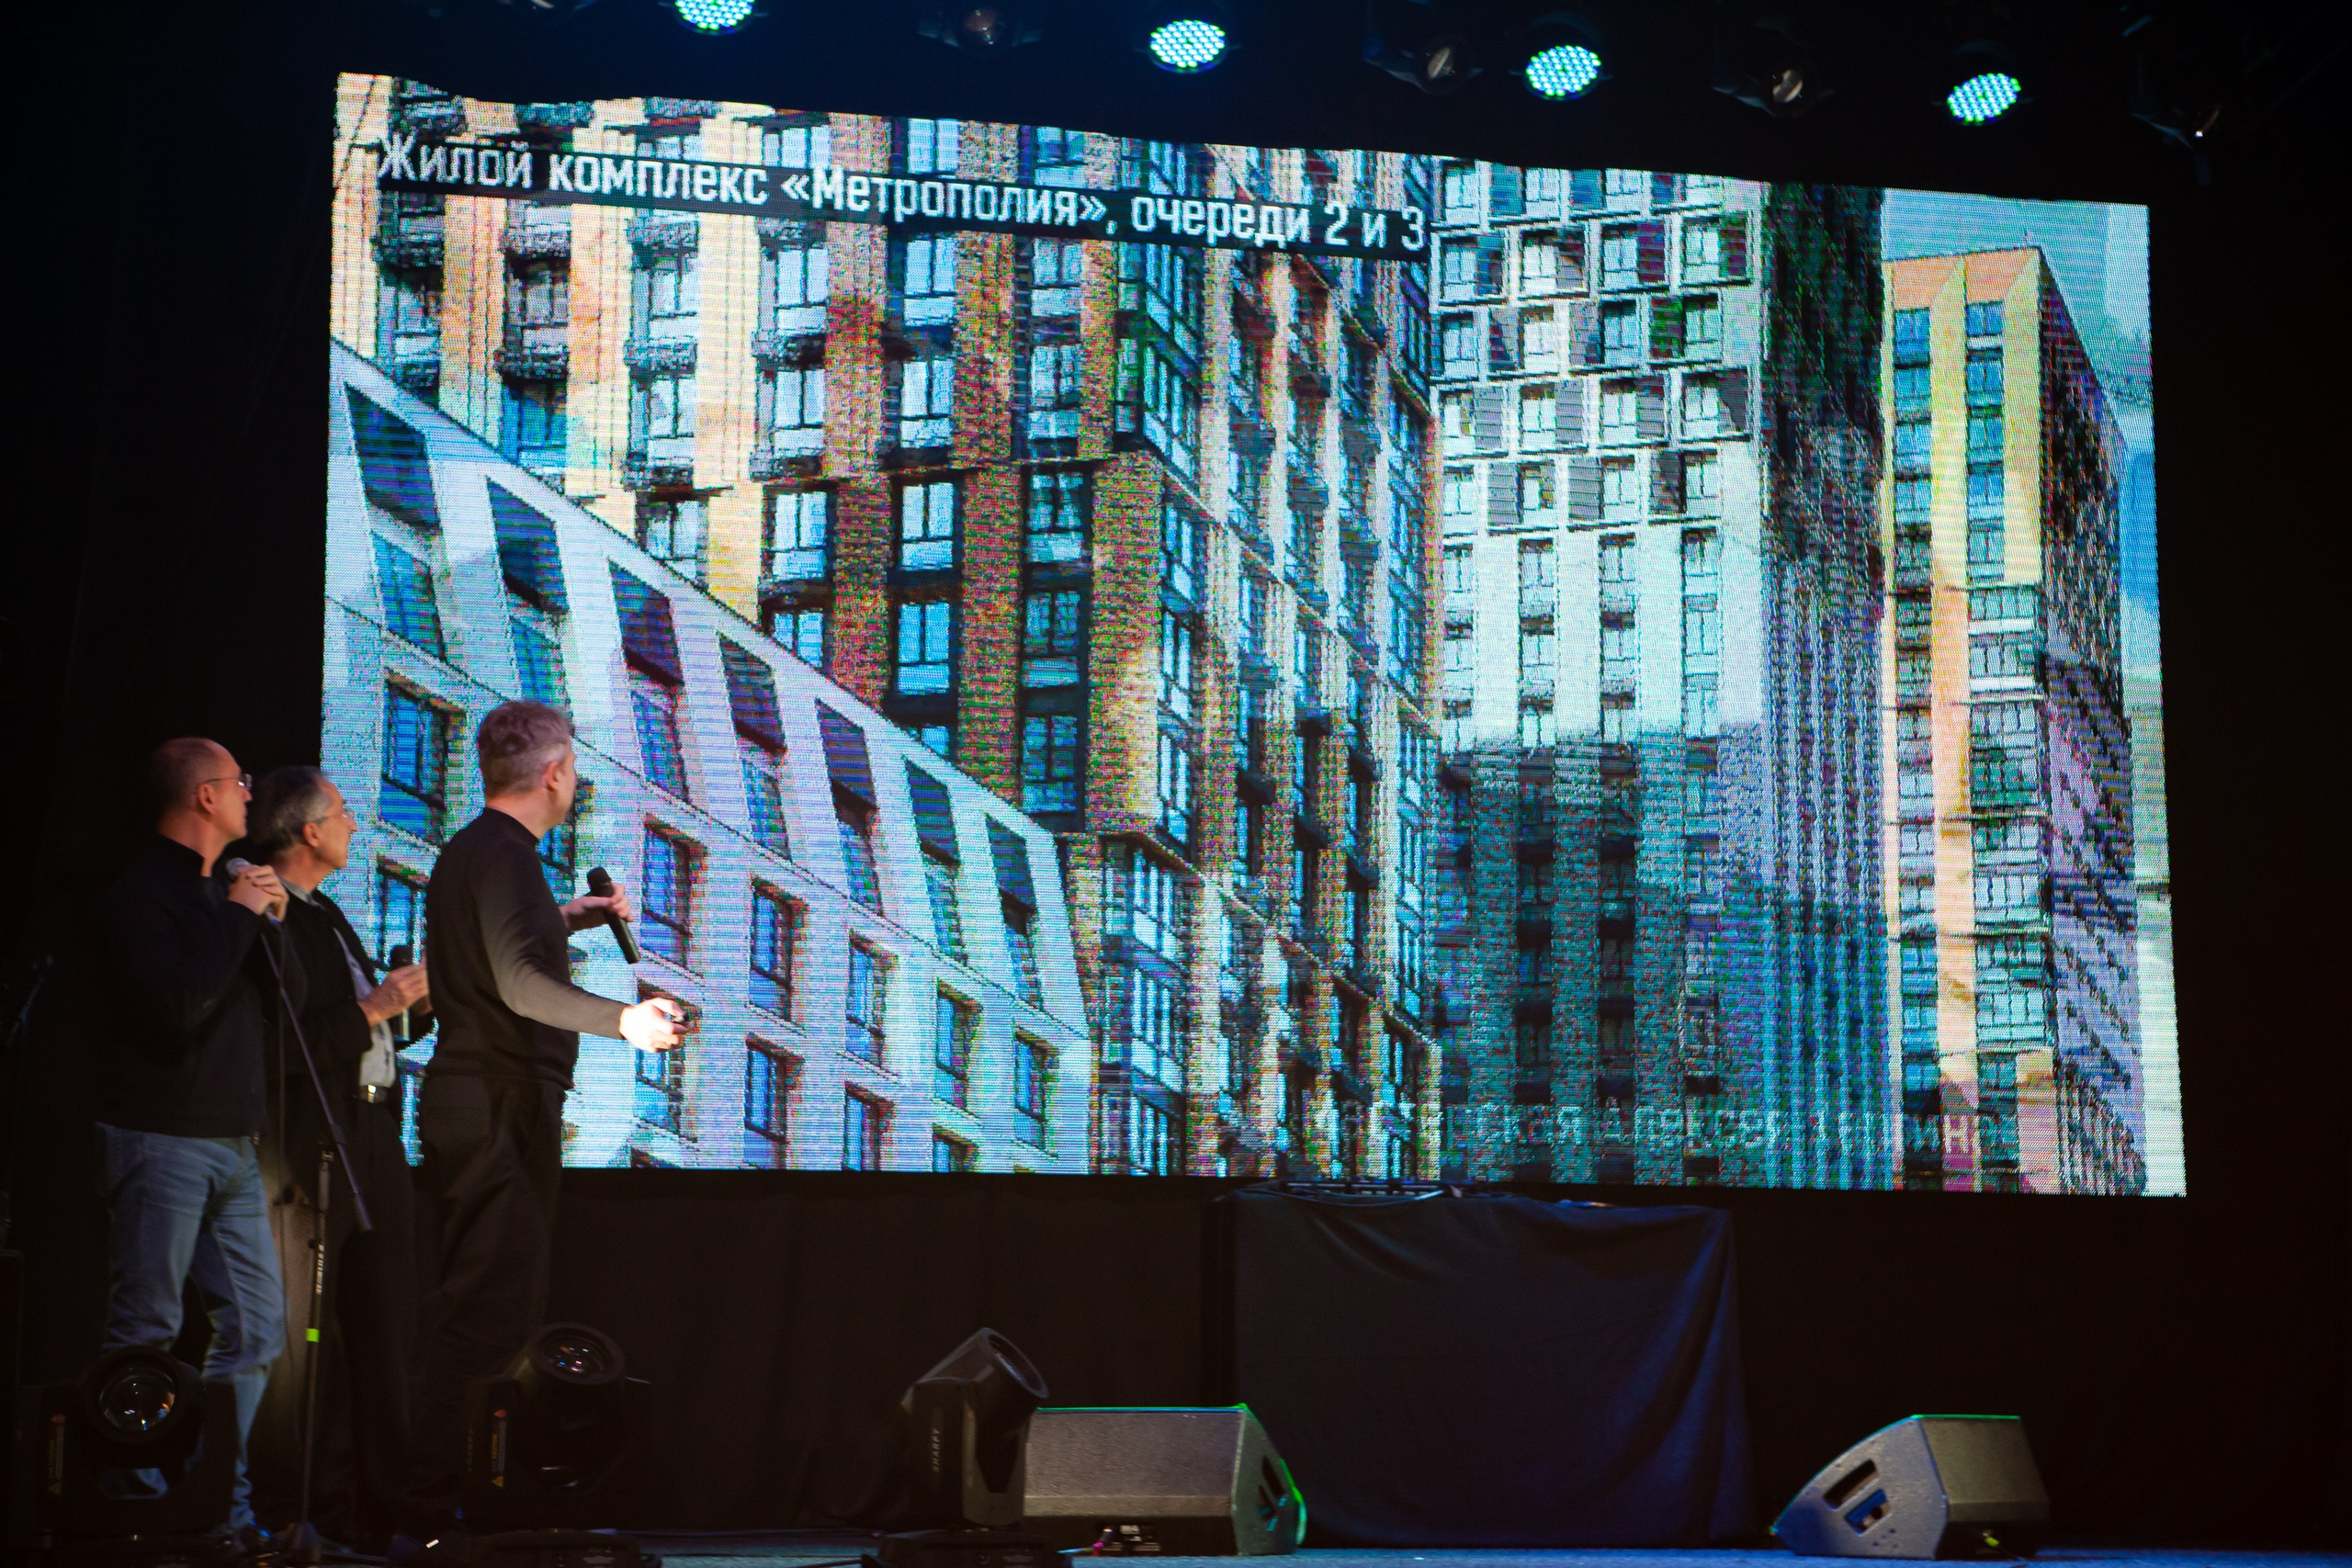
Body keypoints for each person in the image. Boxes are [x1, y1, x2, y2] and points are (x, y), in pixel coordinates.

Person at [400, 701, 684, 1562]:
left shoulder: (475, 852)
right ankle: (433, 1516)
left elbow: (496, 958)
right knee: (485, 1317)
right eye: (576, 767)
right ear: (556, 772)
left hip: (472, 1098)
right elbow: (519, 984)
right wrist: (625, 1021)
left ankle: (438, 1511)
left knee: (479, 1308)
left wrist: (567, 916)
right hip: (496, 1103)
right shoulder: (508, 859)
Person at [93, 738, 301, 1550]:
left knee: (257, 1327)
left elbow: (281, 1003)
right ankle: (132, 1503)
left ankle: (218, 1502)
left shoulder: (228, 892)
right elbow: (180, 1004)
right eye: (240, 782)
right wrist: (242, 916)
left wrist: (267, 920)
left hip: (233, 1145)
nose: (252, 794)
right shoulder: (142, 894)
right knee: (144, 1322)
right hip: (159, 1135)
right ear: (205, 797)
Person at [243, 766, 428, 1551]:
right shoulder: (270, 919)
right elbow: (281, 1044)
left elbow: (370, 1033)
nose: (356, 824)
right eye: (345, 814)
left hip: (375, 1131)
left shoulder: (329, 915)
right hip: (311, 1140)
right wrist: (375, 1007)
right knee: (304, 1335)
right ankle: (297, 1508)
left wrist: (405, 1013)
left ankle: (386, 1511)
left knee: (386, 1324)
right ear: (309, 831)